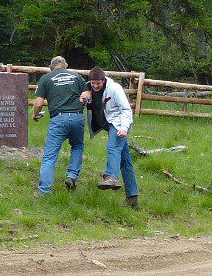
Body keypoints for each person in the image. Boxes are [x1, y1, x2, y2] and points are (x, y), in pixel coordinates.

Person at [80, 66, 139, 209]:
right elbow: (86, 95)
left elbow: (126, 110)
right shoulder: (88, 87)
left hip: (119, 123)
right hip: (108, 124)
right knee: (125, 161)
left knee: (112, 146)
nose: (95, 86)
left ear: (104, 80)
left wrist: (124, 128)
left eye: (98, 83)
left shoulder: (115, 88)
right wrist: (84, 97)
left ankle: (111, 177)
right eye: (93, 83)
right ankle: (133, 198)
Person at [33, 56, 87, 195]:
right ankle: (72, 176)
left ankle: (44, 191)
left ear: (51, 67)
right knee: (77, 146)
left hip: (59, 119)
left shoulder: (45, 78)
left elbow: (39, 103)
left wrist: (35, 115)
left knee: (50, 156)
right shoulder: (76, 76)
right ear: (65, 65)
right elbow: (87, 93)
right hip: (77, 116)